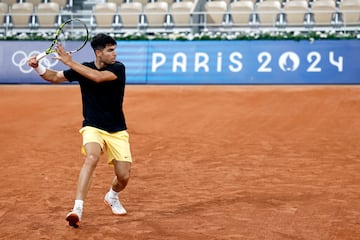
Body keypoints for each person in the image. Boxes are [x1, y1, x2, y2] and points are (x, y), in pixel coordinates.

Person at [27, 33, 132, 228]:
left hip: (117, 130)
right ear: (98, 53)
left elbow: (98, 77)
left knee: (124, 176)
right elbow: (54, 77)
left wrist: (69, 62)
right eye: (110, 50)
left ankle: (112, 196)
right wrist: (38, 67)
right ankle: (77, 209)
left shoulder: (118, 68)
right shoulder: (83, 68)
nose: (114, 54)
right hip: (92, 125)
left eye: (114, 50)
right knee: (92, 157)